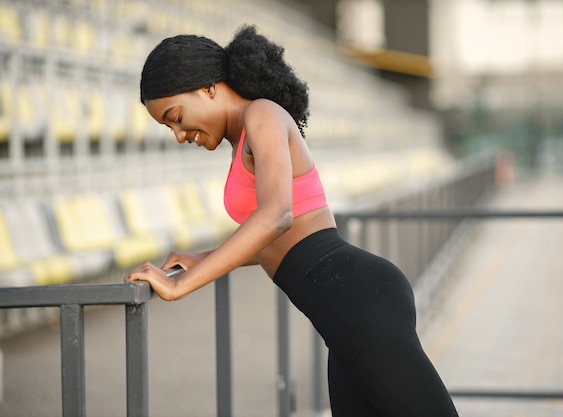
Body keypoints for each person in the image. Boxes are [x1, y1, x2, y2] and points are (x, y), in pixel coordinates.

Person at [125, 25, 458, 417]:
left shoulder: (261, 114)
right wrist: (204, 256)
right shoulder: (243, 138)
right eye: (169, 128)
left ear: (208, 88)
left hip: (359, 299)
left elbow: (277, 216)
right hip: (345, 310)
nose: (179, 135)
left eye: (176, 117)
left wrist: (181, 285)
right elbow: (285, 235)